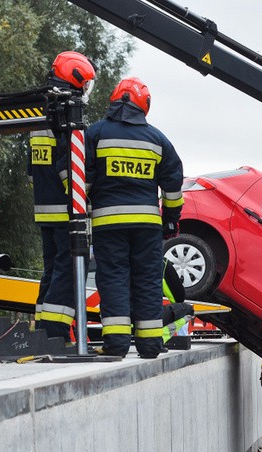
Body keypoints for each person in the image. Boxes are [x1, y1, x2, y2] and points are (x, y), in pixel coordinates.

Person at [85, 77, 184, 358]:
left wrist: (86, 205)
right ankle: (150, 345)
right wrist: (170, 220)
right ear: (144, 106)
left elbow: (81, 179)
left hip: (108, 224)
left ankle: (115, 345)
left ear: (115, 99)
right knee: (148, 279)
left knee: (114, 277)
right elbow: (173, 186)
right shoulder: (157, 139)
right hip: (147, 226)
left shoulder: (96, 134)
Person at [30, 51, 95, 341]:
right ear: (76, 78)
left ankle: (42, 328)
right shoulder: (64, 113)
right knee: (68, 273)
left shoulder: (39, 115)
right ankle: (55, 333)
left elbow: (32, 171)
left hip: (43, 208)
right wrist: (83, 202)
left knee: (51, 271)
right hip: (66, 210)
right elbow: (68, 167)